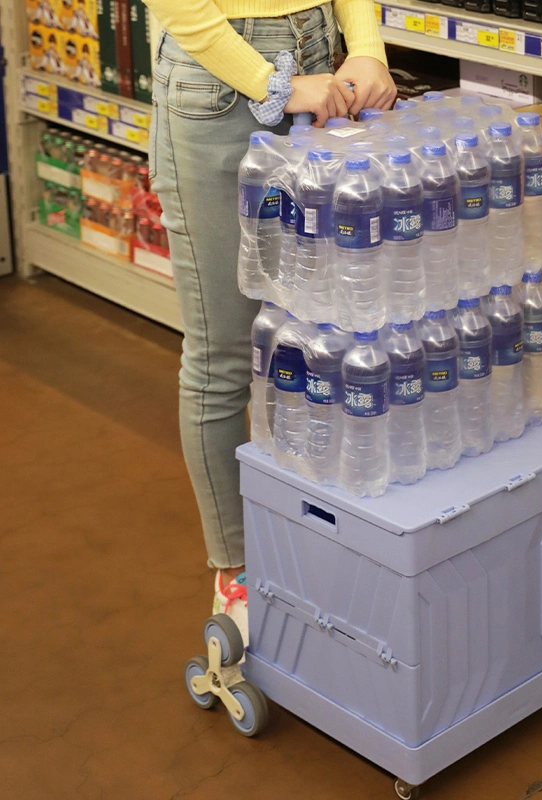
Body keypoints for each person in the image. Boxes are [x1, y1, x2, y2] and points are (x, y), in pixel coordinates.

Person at [144, 0, 396, 640]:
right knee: (224, 353)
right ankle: (236, 571)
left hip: (319, 61)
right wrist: (273, 85)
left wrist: (365, 44)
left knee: (319, 341)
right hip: (222, 86)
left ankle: (308, 538)